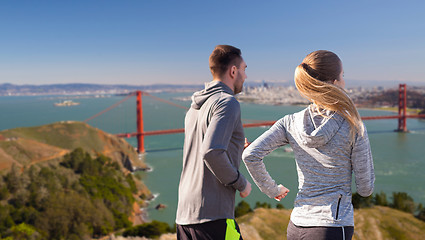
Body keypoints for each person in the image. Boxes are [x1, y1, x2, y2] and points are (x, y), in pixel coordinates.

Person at [242, 50, 375, 240]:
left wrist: (273, 190)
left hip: (297, 226)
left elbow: (250, 155)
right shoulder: (353, 125)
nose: (345, 82)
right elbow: (365, 189)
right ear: (335, 83)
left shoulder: (290, 122)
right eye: (342, 76)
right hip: (332, 227)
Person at [176, 45, 252, 240]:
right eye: (244, 69)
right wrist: (241, 184)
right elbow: (211, 152)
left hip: (185, 216)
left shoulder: (194, 108)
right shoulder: (227, 102)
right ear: (233, 71)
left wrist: (233, 148)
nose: (245, 75)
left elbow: (206, 146)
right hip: (214, 216)